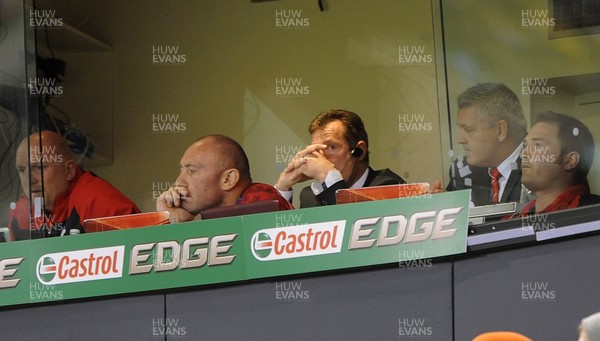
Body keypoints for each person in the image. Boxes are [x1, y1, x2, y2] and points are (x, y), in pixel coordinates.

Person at [9, 131, 140, 239]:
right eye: (22, 170)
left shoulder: (100, 202)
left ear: (69, 170)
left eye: (39, 167)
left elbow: (138, 249)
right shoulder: (20, 213)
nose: (29, 180)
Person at [275, 109, 404, 207]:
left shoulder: (388, 185)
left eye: (331, 147)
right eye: (316, 150)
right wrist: (283, 188)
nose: (321, 159)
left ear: (359, 151)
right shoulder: (310, 197)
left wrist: (327, 174)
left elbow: (354, 224)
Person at [156, 134, 292, 222]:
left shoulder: (262, 205)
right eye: (182, 170)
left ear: (228, 179)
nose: (179, 182)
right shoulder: (220, 217)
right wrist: (172, 222)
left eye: (192, 171)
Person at [432, 83, 528, 206]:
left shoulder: (540, 167)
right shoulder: (463, 172)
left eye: (469, 130)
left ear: (500, 130)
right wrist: (447, 206)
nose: (459, 140)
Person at [508, 111, 599, 218]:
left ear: (570, 160)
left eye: (538, 145)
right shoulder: (512, 220)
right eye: (525, 145)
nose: (523, 154)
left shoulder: (593, 215)